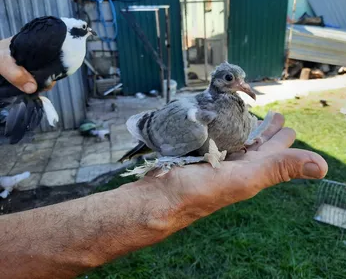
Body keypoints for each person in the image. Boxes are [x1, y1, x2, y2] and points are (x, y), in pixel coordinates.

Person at [0, 37, 328, 279]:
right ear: (219, 82)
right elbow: (200, 132)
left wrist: (235, 143)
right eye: (232, 80)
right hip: (176, 133)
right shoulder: (197, 118)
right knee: (197, 138)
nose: (241, 86)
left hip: (209, 138)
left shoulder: (241, 113)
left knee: (246, 126)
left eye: (240, 80)